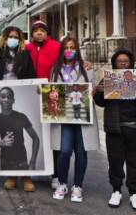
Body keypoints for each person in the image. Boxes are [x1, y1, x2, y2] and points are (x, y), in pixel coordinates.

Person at [0, 26, 37, 192]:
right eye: (9, 36)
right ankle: (11, 176)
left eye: (16, 37)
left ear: (20, 40)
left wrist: (36, 89)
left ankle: (26, 176)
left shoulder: (25, 55)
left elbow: (32, 76)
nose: (12, 39)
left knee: (19, 140)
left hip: (19, 89)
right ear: (4, 38)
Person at [50, 36, 99, 203]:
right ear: (61, 50)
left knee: (81, 151)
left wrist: (92, 91)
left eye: (72, 47)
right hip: (64, 118)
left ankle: (78, 186)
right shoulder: (55, 69)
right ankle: (62, 183)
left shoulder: (87, 68)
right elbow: (51, 90)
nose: (69, 50)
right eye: (66, 47)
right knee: (63, 151)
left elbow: (92, 89)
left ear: (77, 49)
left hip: (82, 117)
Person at [94, 48, 136, 210]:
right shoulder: (108, 79)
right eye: (120, 61)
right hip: (114, 128)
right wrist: (99, 92)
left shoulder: (134, 77)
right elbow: (100, 103)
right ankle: (116, 190)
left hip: (133, 128)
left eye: (126, 61)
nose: (123, 63)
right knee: (115, 161)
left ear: (131, 63)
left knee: (134, 162)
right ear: (114, 64)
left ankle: (134, 192)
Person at [25, 20, 61, 189]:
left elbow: (70, 62)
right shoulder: (27, 48)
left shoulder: (56, 47)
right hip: (31, 95)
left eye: (42, 30)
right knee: (35, 132)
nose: (39, 33)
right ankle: (38, 169)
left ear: (47, 33)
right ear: (32, 34)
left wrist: (86, 64)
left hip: (51, 96)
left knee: (53, 135)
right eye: (36, 30)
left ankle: (56, 174)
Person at [0, 87, 40, 171]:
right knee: (10, 184)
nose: (6, 99)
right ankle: (12, 179)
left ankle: (26, 178)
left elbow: (36, 138)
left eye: (9, 97)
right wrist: (0, 143)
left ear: (13, 100)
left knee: (27, 183)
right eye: (3, 96)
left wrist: (33, 162)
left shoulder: (21, 117)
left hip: (22, 162)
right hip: (5, 163)